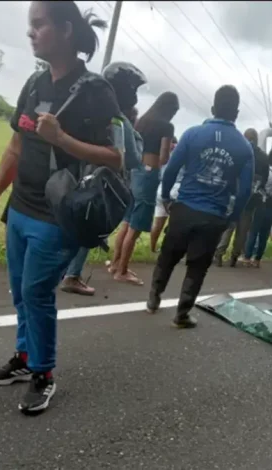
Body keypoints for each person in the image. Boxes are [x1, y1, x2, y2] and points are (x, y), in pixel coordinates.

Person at [0, 1, 122, 414]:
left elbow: (115, 158)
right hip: (21, 206)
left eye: (38, 24)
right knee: (21, 291)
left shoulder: (96, 91)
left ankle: (43, 372)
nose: (31, 32)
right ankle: (25, 358)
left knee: (36, 291)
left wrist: (63, 140)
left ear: (65, 29)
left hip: (58, 212)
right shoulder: (34, 84)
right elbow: (16, 144)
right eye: (30, 25)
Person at [147, 85, 254, 328]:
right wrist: (233, 216)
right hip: (214, 214)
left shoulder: (192, 134)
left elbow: (172, 169)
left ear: (213, 108)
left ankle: (154, 296)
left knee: (169, 255)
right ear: (236, 113)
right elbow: (245, 190)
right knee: (197, 266)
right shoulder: (244, 147)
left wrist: (166, 197)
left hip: (184, 207)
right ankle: (182, 313)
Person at [59, 61, 147, 296]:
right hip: (99, 181)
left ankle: (64, 271)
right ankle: (72, 275)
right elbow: (132, 159)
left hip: (70, 176)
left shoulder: (85, 104)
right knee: (89, 224)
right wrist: (136, 134)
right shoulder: (119, 118)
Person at [108, 91, 179, 285]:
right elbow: (164, 156)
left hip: (134, 172)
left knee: (127, 220)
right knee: (137, 225)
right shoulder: (167, 126)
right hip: (149, 174)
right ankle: (121, 270)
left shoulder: (143, 121)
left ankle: (115, 264)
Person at [213, 128, 269, 267]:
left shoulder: (240, 151)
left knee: (229, 226)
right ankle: (234, 257)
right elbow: (265, 179)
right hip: (251, 199)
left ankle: (219, 254)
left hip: (235, 195)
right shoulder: (263, 157)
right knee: (243, 230)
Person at [150, 136, 180, 253]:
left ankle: (152, 248)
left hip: (161, 187)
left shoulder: (162, 156)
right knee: (175, 222)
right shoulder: (180, 154)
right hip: (176, 187)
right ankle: (169, 249)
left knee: (158, 222)